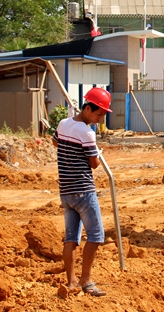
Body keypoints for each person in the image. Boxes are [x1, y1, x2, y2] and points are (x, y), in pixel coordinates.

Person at [53, 87, 112, 297]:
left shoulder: (63, 124)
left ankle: (71, 282)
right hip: (84, 191)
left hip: (66, 191)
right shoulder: (87, 132)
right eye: (98, 114)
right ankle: (86, 280)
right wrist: (95, 152)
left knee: (71, 238)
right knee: (96, 236)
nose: (99, 119)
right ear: (88, 108)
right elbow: (94, 164)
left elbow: (55, 141)